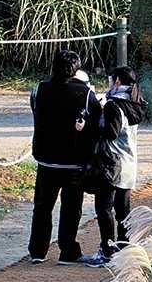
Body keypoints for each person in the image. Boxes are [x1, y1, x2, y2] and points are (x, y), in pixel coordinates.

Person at [28, 49, 103, 266]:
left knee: (42, 206)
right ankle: (67, 249)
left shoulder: (39, 89)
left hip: (46, 158)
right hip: (74, 161)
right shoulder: (86, 93)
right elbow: (96, 123)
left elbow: (35, 110)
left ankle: (37, 250)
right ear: (76, 69)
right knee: (71, 208)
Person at [88, 66, 145, 260]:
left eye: (111, 80)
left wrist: (91, 125)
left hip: (112, 163)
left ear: (118, 81)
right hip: (129, 163)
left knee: (104, 208)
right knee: (123, 210)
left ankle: (107, 249)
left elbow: (110, 132)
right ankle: (124, 247)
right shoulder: (135, 102)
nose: (110, 83)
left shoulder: (114, 105)